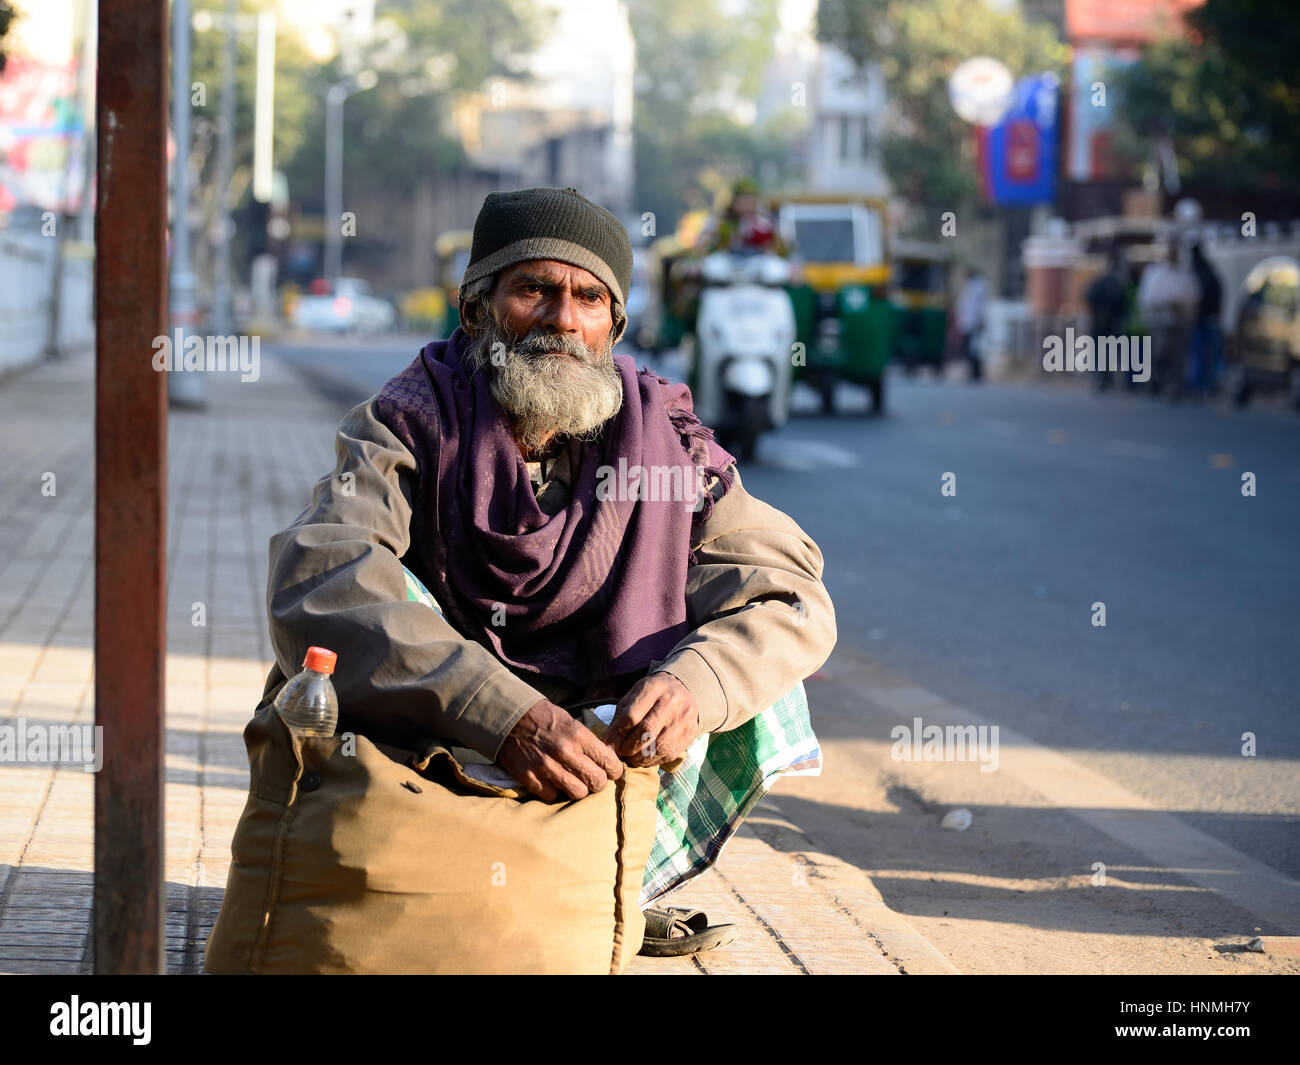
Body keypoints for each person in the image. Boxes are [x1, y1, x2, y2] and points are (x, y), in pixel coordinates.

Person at [262, 186, 837, 957]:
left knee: (749, 671)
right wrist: (501, 713)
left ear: (613, 326)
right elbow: (318, 573)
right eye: (534, 288)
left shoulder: (664, 438)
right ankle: (480, 879)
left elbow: (790, 592)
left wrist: (693, 686)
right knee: (359, 605)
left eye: (589, 298)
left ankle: (613, 883)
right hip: (446, 739)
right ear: (477, 311)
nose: (563, 319)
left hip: (603, 746)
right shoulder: (408, 421)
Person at [1136, 241, 1199, 399]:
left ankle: (1174, 386)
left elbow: (1193, 295)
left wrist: (1182, 306)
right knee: (1159, 352)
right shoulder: (1155, 273)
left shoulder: (1185, 274)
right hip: (1159, 320)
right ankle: (1156, 382)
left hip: (1180, 320)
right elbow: (1146, 298)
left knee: (1178, 356)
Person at [1086, 247, 1130, 392]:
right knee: (1109, 353)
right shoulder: (1115, 285)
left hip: (1100, 325)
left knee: (1100, 353)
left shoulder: (1098, 284)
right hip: (1110, 326)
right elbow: (1122, 305)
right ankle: (1105, 378)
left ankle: (1102, 378)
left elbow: (1089, 299)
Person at [1187, 243, 1224, 397]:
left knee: (1199, 353)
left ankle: (1200, 385)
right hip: (1210, 318)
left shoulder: (1197, 272)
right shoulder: (1209, 271)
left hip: (1200, 319)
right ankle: (1209, 384)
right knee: (1211, 354)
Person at [955, 267, 988, 382]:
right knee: (970, 349)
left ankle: (976, 373)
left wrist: (979, 320)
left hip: (974, 322)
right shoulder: (971, 287)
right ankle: (973, 373)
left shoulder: (978, 286)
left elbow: (977, 307)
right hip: (969, 322)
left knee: (974, 349)